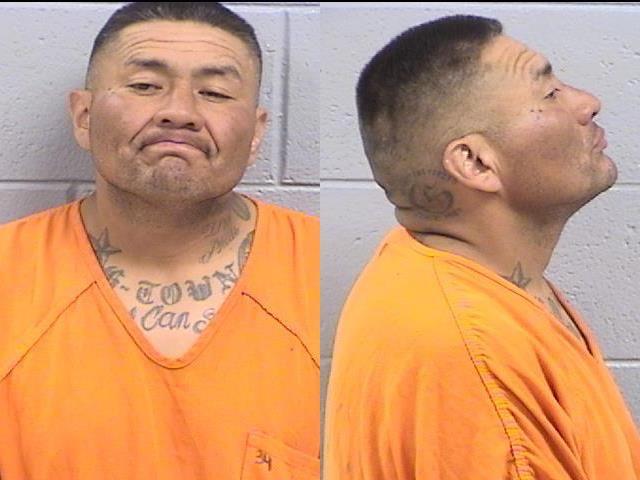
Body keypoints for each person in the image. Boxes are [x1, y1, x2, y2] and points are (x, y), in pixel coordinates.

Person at [0, 3, 319, 479]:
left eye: (214, 92)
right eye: (145, 86)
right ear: (84, 116)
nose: (180, 112)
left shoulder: (325, 277)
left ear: (256, 134)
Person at [324, 14, 639, 480]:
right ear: (474, 163)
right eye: (549, 94)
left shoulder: (439, 267)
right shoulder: (475, 359)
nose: (588, 103)